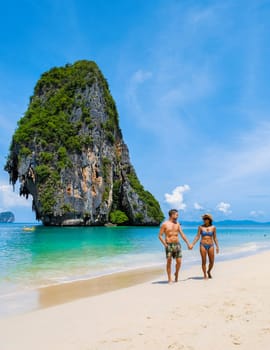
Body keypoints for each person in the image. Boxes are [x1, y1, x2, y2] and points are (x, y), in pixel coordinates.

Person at [158, 209, 191, 283]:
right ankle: (169, 279)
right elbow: (160, 236)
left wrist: (188, 244)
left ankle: (176, 273)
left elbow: (182, 234)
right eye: (176, 215)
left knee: (179, 262)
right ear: (172, 215)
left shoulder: (177, 224)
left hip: (177, 244)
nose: (177, 216)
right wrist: (165, 244)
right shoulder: (165, 224)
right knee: (169, 262)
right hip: (169, 245)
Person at [190, 213, 219, 279]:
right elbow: (197, 236)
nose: (205, 220)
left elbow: (215, 238)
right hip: (202, 244)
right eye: (204, 219)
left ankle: (208, 271)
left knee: (212, 261)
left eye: (206, 219)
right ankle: (205, 275)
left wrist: (217, 246)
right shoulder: (200, 227)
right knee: (204, 261)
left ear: (209, 219)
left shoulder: (213, 227)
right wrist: (192, 244)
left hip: (211, 245)